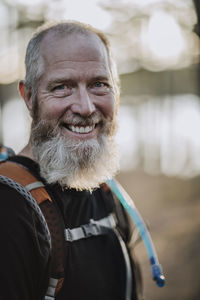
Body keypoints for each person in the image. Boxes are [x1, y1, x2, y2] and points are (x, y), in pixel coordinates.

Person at [0, 21, 142, 300]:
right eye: (62, 87)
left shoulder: (107, 192)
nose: (86, 107)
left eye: (99, 84)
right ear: (29, 97)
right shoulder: (9, 207)